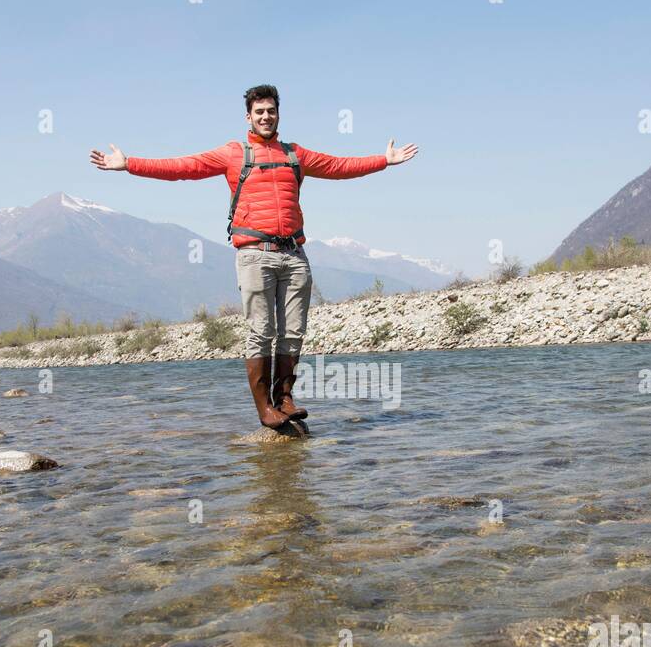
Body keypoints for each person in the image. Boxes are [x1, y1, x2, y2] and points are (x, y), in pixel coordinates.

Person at [90, 84, 418, 428]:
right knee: (261, 332)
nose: (266, 116)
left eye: (271, 111)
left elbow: (339, 166)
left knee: (293, 332)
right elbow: (183, 166)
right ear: (249, 117)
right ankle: (265, 409)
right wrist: (129, 164)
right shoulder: (234, 154)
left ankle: (285, 399)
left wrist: (384, 161)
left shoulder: (295, 155)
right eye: (259, 112)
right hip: (254, 255)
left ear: (278, 115)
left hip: (294, 254)